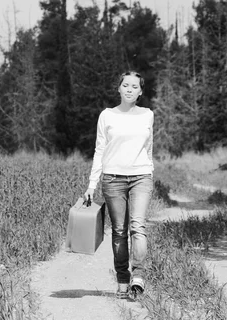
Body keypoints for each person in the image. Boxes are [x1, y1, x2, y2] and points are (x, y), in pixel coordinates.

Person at [84, 70, 154, 299]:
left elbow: (149, 148)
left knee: (138, 226)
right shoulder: (107, 115)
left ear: (141, 91)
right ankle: (123, 279)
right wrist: (91, 185)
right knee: (120, 231)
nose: (130, 89)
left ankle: (139, 276)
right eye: (126, 85)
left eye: (135, 86)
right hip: (113, 178)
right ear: (119, 88)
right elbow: (99, 150)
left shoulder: (147, 115)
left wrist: (149, 171)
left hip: (141, 177)